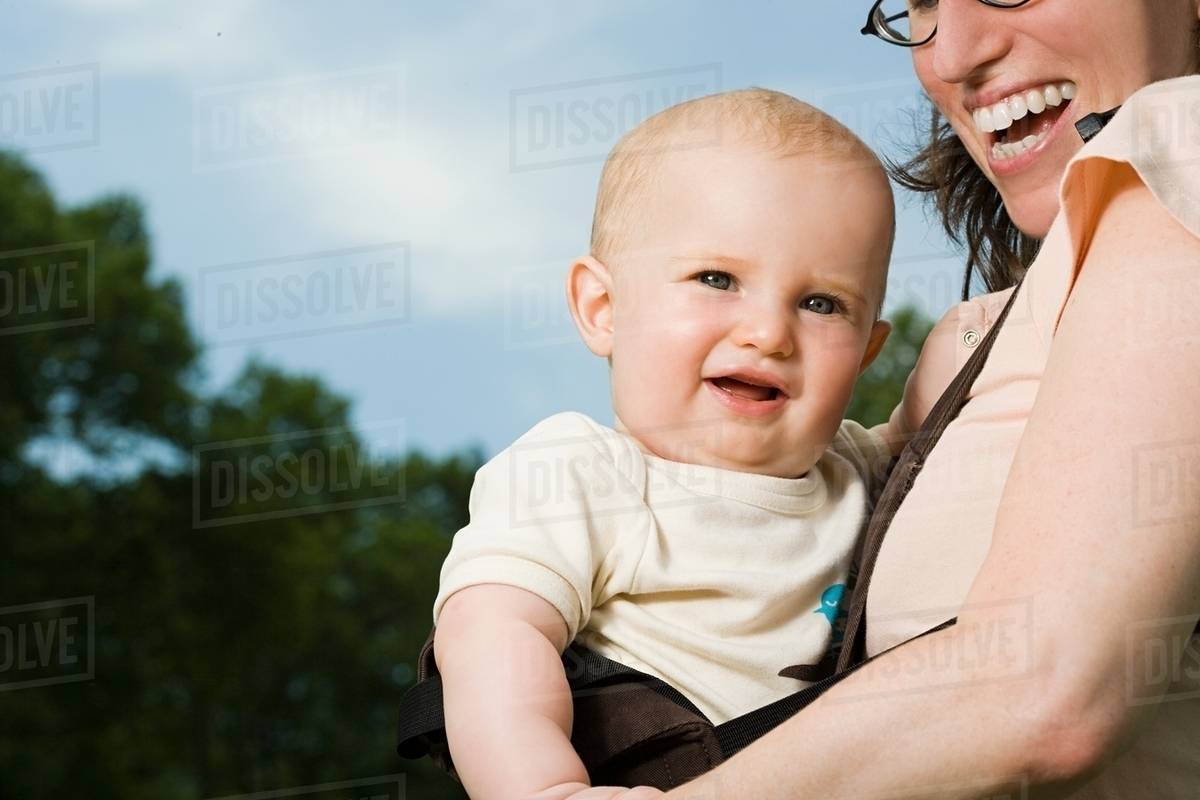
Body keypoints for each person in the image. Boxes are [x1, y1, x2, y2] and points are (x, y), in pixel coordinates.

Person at [647, 1, 1200, 798]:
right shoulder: (982, 338)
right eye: (923, 5)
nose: (952, 57)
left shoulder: (1177, 139)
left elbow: (1041, 686)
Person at [428, 88, 939, 800]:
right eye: (716, 279)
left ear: (866, 352)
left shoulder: (853, 471)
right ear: (604, 310)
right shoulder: (583, 473)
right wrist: (542, 787)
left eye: (821, 303)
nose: (769, 332)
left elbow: (937, 436)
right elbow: (490, 634)